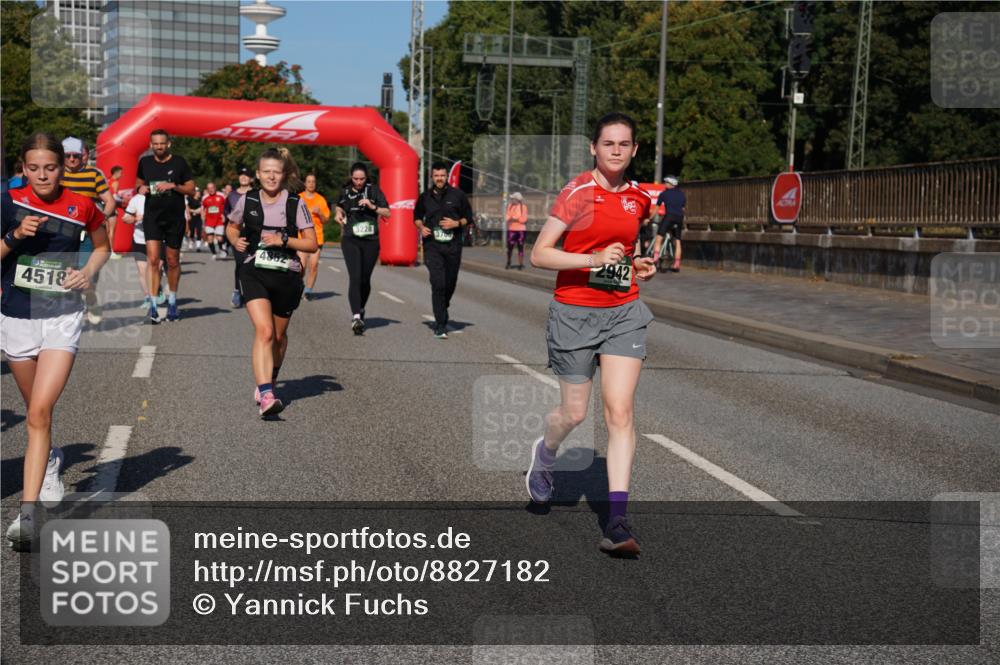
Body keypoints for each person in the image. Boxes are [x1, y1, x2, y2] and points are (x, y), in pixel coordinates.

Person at [526, 112, 657, 557]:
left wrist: (636, 265)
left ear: (635, 150)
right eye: (608, 144)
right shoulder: (578, 193)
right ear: (594, 149)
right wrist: (593, 260)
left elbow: (626, 252)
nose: (616, 151)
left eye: (624, 144)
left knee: (620, 412)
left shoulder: (639, 198)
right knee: (574, 414)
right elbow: (540, 255)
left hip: (624, 311)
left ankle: (617, 521)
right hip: (574, 314)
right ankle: (545, 455)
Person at [1, 132, 110, 547]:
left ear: (62, 167)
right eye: (34, 168)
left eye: (51, 167)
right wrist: (14, 237)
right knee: (34, 412)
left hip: (61, 314)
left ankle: (27, 517)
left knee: (39, 412)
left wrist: (88, 272)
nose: (43, 175)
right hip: (16, 316)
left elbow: (102, 245)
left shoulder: (82, 205)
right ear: (23, 169)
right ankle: (50, 461)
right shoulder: (8, 202)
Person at [225, 147, 317, 417]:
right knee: (264, 331)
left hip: (286, 274)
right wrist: (234, 239)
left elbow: (311, 244)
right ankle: (266, 393)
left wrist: (284, 240)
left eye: (276, 172)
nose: (271, 177)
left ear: (284, 174)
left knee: (278, 336)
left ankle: (272, 376)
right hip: (254, 271)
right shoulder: (248, 200)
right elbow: (232, 226)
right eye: (266, 172)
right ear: (257, 174)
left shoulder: (295, 203)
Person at [135, 129, 195, 323]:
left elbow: (191, 188)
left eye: (162, 143)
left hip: (174, 218)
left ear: (168, 144)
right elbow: (138, 182)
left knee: (172, 260)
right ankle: (153, 304)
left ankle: (172, 302)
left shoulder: (179, 162)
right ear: (151, 144)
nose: (158, 147)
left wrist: (174, 186)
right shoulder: (145, 162)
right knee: (153, 260)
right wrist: (140, 188)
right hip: (152, 216)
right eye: (155, 144)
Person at [413, 162, 473, 339]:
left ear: (447, 176)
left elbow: (468, 218)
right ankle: (440, 325)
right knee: (438, 282)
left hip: (453, 246)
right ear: (432, 177)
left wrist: (456, 223)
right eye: (436, 176)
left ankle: (442, 306)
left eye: (442, 175)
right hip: (432, 246)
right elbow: (416, 217)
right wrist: (421, 227)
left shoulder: (458, 195)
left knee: (450, 283)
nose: (439, 179)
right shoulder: (425, 197)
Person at [60, 137, 115, 325]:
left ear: (82, 155)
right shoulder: (55, 174)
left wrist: (103, 218)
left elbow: (109, 201)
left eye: (76, 155)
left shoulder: (94, 175)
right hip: (62, 233)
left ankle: (91, 300)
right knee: (64, 274)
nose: (72, 159)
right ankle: (69, 314)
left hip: (88, 234)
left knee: (85, 274)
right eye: (68, 156)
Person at [334, 162, 389, 335]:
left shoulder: (374, 191)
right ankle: (356, 316)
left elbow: (388, 212)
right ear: (351, 177)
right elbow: (339, 206)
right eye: (355, 179)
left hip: (371, 240)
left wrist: (373, 206)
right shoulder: (345, 191)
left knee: (365, 279)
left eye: (361, 179)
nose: (358, 182)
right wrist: (338, 214)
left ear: (366, 178)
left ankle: (361, 307)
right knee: (355, 277)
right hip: (351, 239)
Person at [225, 166, 254, 308]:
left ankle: (253, 292)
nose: (243, 177)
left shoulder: (257, 194)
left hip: (254, 234)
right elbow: (227, 213)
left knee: (253, 263)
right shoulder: (231, 195)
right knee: (241, 262)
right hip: (237, 234)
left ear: (252, 178)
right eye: (241, 175)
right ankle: (237, 291)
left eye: (247, 175)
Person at [121, 185, 154, 309]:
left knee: (156, 268)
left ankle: (156, 289)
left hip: (156, 239)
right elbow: (125, 218)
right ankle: (147, 297)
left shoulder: (159, 198)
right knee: (142, 270)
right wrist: (136, 218)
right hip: (139, 239)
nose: (146, 188)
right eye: (144, 186)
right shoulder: (136, 199)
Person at [299, 173, 329, 301]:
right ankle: (298, 287)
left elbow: (326, 220)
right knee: (301, 267)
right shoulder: (299, 198)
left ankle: (308, 291)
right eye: (309, 181)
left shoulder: (320, 200)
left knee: (314, 265)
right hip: (301, 238)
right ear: (305, 183)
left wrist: (320, 213)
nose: (311, 184)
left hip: (317, 238)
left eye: (313, 182)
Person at [653, 176, 686, 272]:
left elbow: (656, 208)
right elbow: (683, 209)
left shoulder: (664, 194)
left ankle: (655, 258)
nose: (665, 184)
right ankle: (677, 263)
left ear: (671, 184)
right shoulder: (682, 195)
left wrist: (649, 218)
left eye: (666, 182)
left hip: (669, 217)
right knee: (678, 241)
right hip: (679, 218)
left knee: (659, 237)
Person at [201, 182, 227, 259]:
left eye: (212, 187)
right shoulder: (205, 197)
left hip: (219, 220)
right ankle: (214, 253)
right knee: (210, 239)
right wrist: (203, 218)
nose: (211, 190)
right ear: (207, 189)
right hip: (209, 221)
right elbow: (203, 209)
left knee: (220, 238)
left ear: (215, 187)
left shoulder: (221, 195)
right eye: (209, 188)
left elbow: (227, 207)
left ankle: (221, 249)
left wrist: (224, 215)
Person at [505, 191, 528, 270]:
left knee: (520, 247)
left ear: (517, 200)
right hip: (511, 229)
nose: (511, 200)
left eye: (513, 199)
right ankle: (508, 262)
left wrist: (514, 218)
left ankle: (521, 264)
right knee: (510, 247)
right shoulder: (510, 206)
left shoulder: (523, 207)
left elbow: (524, 219)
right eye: (511, 199)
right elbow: (507, 217)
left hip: (521, 230)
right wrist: (515, 218)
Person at [185, 187, 203, 251]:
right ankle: (191, 242)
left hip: (199, 217)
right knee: (191, 231)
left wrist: (200, 211)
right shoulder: (190, 199)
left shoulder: (201, 199)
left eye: (199, 192)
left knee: (199, 231)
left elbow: (202, 208)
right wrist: (192, 212)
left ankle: (198, 247)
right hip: (192, 217)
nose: (199, 193)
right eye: (198, 192)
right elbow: (187, 208)